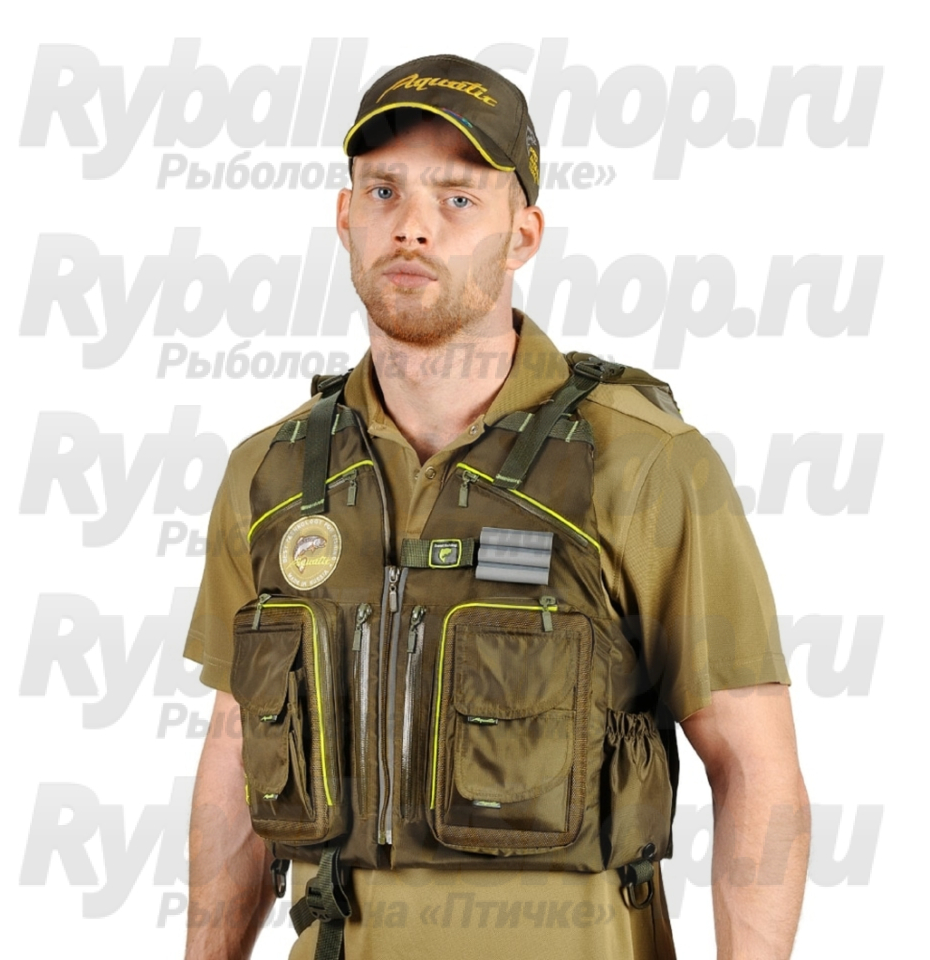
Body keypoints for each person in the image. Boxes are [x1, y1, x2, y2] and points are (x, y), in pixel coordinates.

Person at [183, 54, 810, 960]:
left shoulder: (641, 462)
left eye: (459, 198)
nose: (413, 227)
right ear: (345, 216)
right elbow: (232, 758)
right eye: (385, 192)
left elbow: (756, 768)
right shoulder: (272, 474)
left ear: (523, 234)